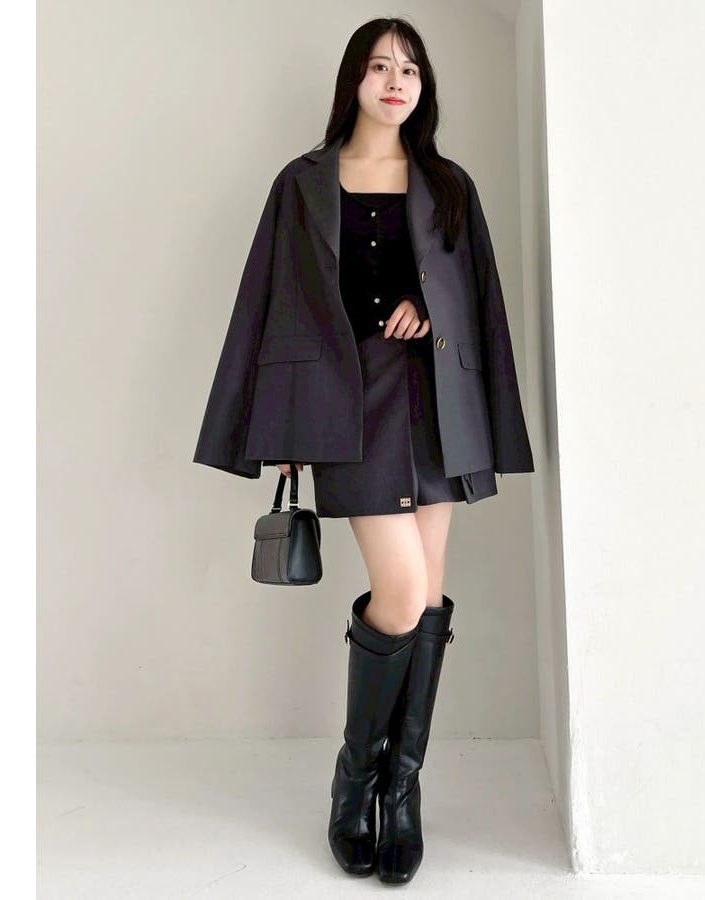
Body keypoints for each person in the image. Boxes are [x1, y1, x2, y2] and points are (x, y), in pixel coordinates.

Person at [194, 15, 535, 886]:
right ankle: (355, 781)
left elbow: (476, 298)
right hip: (349, 405)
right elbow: (272, 301)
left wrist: (426, 307)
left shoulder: (447, 184)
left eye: (409, 69)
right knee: (404, 591)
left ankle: (401, 792)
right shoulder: (303, 183)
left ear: (423, 87)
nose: (395, 81)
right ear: (354, 79)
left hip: (438, 402)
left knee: (428, 597)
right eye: (380, 66)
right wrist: (280, 423)